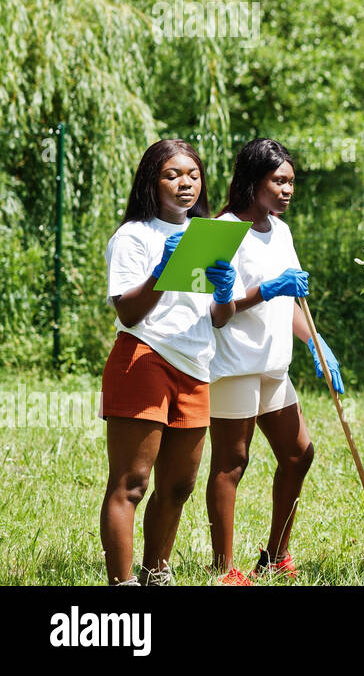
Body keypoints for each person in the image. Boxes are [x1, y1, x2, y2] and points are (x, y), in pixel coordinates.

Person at [205, 138, 344, 585]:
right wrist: (263, 290)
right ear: (253, 180)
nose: (288, 190)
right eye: (278, 181)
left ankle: (275, 555)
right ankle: (223, 569)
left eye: (291, 182)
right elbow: (216, 311)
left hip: (273, 363)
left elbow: (292, 302)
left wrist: (315, 341)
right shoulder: (221, 230)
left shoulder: (280, 231)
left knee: (299, 454)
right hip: (233, 364)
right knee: (232, 463)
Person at [100, 139, 236, 585]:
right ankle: (121, 585)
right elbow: (128, 312)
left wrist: (223, 293)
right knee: (132, 483)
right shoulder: (133, 236)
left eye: (193, 175)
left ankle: (155, 572)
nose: (185, 184)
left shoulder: (208, 233)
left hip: (196, 366)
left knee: (180, 485)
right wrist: (161, 271)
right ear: (151, 182)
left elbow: (218, 318)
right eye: (173, 175)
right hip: (144, 359)